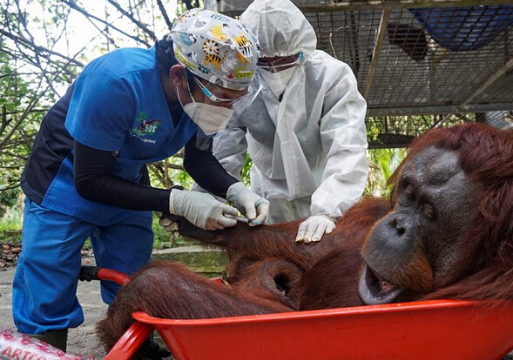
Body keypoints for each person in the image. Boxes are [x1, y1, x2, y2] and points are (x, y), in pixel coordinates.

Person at [13, 8, 268, 352]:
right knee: (48, 269)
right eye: (220, 96)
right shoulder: (117, 82)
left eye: (233, 99)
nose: (225, 107)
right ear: (179, 74)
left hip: (127, 176)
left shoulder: (197, 97)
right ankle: (45, 345)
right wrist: (176, 201)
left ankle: (135, 342)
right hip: (65, 177)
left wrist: (235, 190)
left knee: (133, 269)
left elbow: (198, 158)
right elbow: (89, 181)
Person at [207, 0, 369, 244]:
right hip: (267, 201)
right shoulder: (240, 84)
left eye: (284, 61)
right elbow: (223, 152)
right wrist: (210, 200)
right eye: (263, 62)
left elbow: (347, 146)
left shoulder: (331, 77)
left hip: (323, 190)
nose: (274, 69)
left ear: (302, 48)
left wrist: (329, 210)